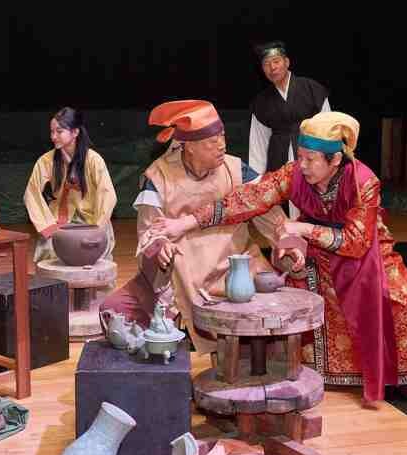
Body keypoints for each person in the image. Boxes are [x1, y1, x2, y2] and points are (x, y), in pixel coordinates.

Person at [151, 111, 407, 402]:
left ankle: (401, 376)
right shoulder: (294, 173)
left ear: (335, 160)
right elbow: (248, 198)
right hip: (316, 251)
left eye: (311, 159)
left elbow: (356, 242)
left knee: (401, 297)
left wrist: (304, 228)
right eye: (300, 157)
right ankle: (311, 368)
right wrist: (186, 223)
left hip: (366, 250)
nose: (303, 165)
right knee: (291, 288)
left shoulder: (364, 183)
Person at [99, 100, 290, 355]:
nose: (222, 145)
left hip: (236, 269)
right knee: (114, 311)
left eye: (222, 136)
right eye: (212, 141)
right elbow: (149, 232)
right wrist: (160, 247)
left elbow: (270, 215)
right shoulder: (159, 177)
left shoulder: (236, 169)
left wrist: (285, 237)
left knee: (269, 322)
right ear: (189, 146)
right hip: (181, 275)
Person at [23, 107, 117, 263]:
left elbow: (107, 194)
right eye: (52, 132)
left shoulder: (93, 160)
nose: (53, 136)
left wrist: (98, 227)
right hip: (60, 220)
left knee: (96, 255)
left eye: (59, 132)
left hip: (92, 220)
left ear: (75, 132)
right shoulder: (46, 161)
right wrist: (47, 226)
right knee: (49, 251)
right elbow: (31, 193)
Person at [249, 41, 330, 218]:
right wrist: (257, 181)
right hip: (279, 159)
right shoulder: (261, 102)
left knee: (316, 209)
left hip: (312, 155)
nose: (272, 68)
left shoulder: (311, 89)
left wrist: (329, 161)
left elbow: (328, 127)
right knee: (284, 212)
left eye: (276, 61)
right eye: (266, 64)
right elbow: (258, 144)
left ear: (287, 62)